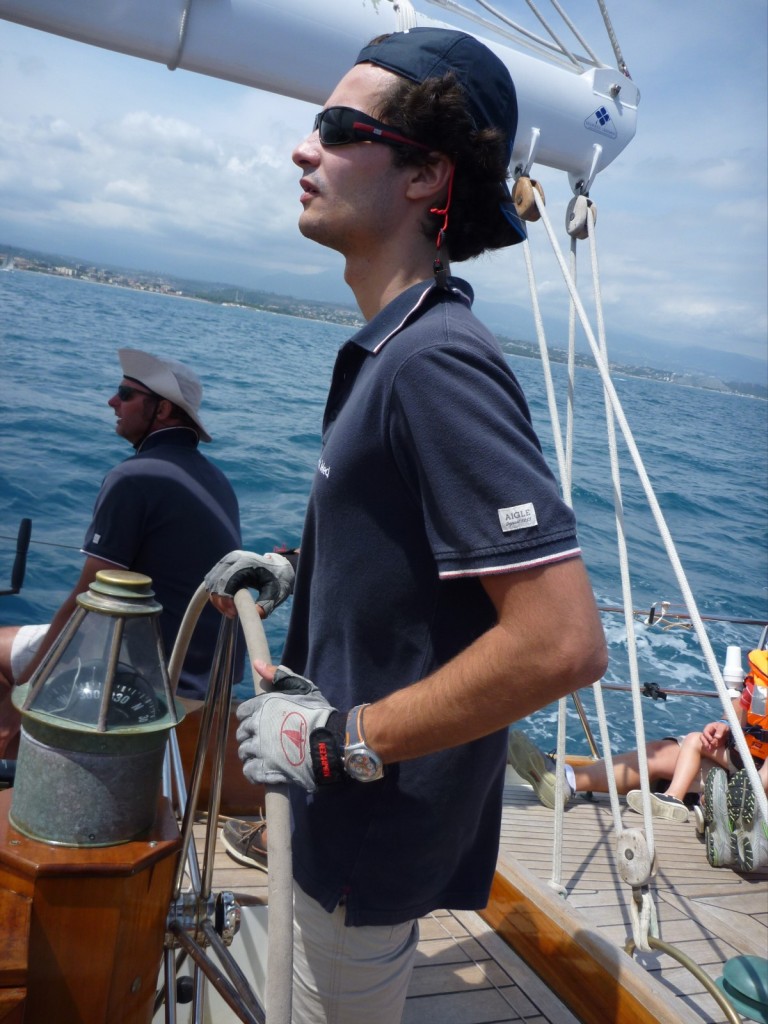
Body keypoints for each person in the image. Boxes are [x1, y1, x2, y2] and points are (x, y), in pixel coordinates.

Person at [205, 28, 607, 1023]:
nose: (305, 148)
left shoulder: (435, 361)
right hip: (344, 827)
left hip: (361, 839)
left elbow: (561, 642)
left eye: (341, 129)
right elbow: (411, 557)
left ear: (428, 174)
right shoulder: (395, 348)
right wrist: (298, 565)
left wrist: (336, 741)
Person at [0, 348, 243, 756]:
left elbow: (86, 602)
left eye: (125, 394)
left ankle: (17, 758)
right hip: (206, 677)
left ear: (162, 410)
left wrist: (27, 693)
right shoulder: (217, 479)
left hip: (147, 676)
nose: (112, 401)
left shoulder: (134, 476)